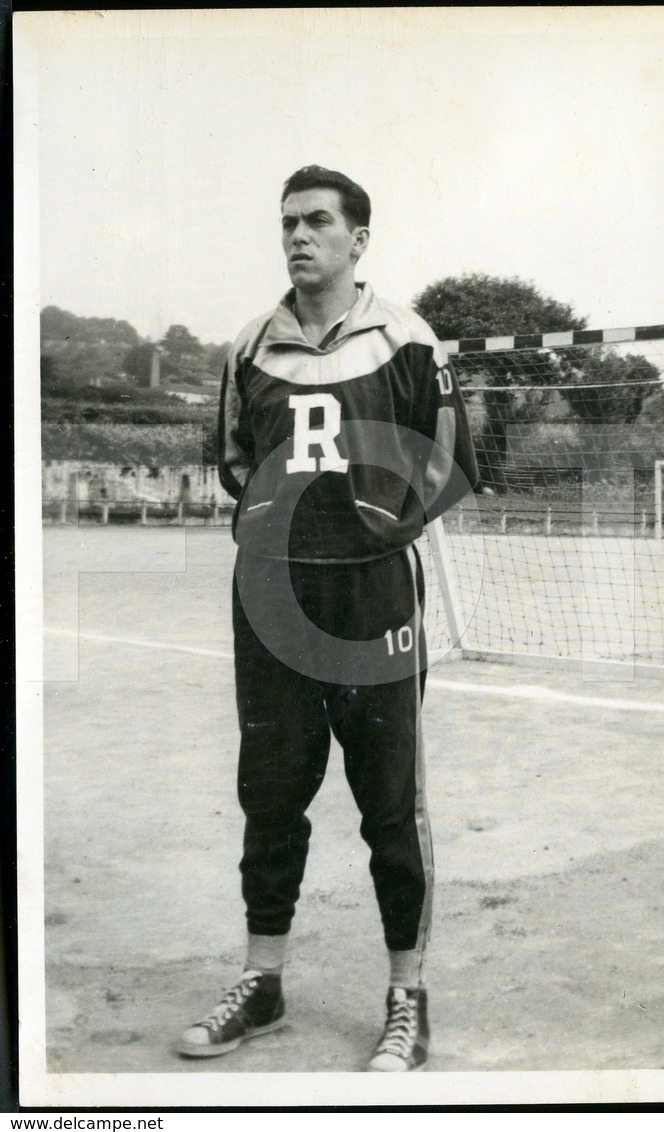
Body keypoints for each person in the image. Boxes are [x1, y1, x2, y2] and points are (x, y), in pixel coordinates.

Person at [177, 165, 479, 1072]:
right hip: (271, 596)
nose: (298, 237)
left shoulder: (411, 338)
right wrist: (287, 527)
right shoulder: (249, 346)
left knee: (389, 803)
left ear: (359, 239)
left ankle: (405, 997)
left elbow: (454, 462)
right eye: (287, 225)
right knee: (270, 798)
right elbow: (234, 461)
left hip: (372, 595)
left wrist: (375, 525)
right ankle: (262, 981)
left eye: (316, 222)